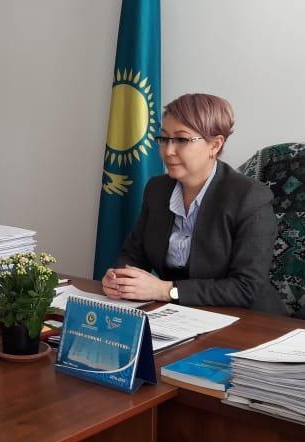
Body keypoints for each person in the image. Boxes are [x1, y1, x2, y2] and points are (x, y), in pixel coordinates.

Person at [101, 93, 284, 313]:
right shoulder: (157, 189)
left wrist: (166, 290)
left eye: (182, 140)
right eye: (164, 138)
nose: (168, 151)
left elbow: (246, 287)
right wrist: (120, 279)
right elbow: (133, 253)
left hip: (249, 319)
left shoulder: (250, 196)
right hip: (181, 315)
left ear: (215, 145)